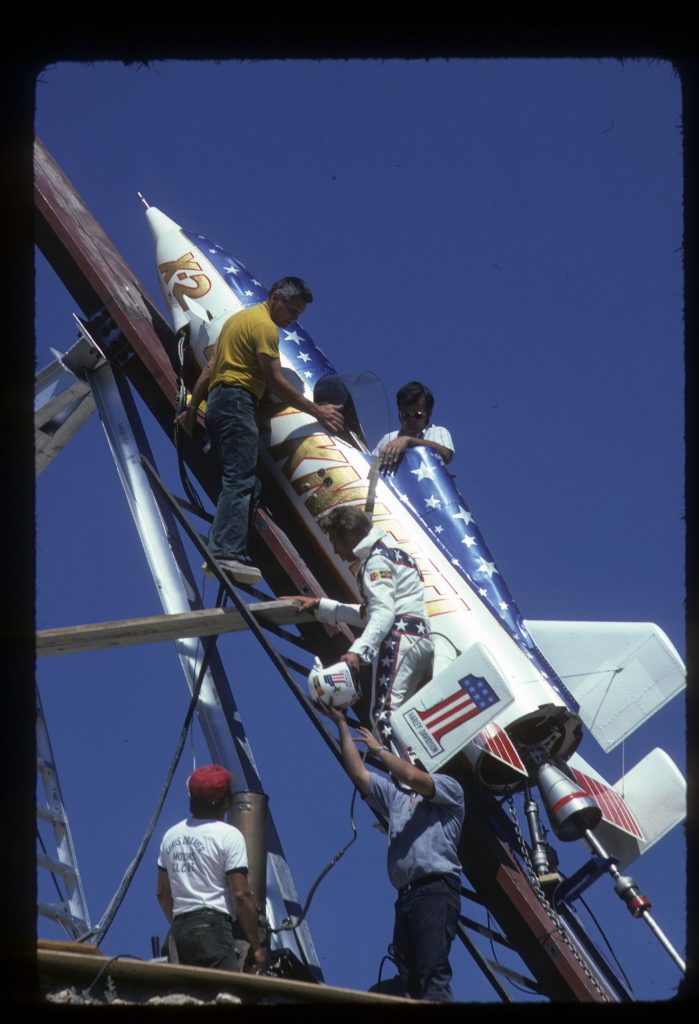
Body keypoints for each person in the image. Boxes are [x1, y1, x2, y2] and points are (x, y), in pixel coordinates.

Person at [178, 278, 344, 585]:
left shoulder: (238, 321)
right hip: (238, 402)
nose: (293, 319)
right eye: (292, 310)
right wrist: (317, 410)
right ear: (276, 296)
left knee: (247, 484)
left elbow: (210, 367)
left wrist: (193, 407)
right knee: (240, 481)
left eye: (299, 313)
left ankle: (226, 550)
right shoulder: (265, 328)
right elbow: (275, 380)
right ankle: (223, 555)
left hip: (218, 402)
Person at [329, 706, 464, 1002]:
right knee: (408, 981)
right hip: (408, 896)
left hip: (435, 890)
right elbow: (357, 772)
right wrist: (340, 723)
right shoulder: (397, 799)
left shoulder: (450, 791)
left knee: (432, 970)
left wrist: (379, 750)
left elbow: (415, 777)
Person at [288, 506, 433, 753]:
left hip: (398, 640)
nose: (334, 549)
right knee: (404, 716)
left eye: (334, 540)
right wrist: (320, 606)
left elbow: (383, 613)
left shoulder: (376, 561)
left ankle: (408, 784)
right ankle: (418, 770)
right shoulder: (395, 553)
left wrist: (358, 651)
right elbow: (371, 613)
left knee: (383, 716)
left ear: (350, 536)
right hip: (420, 638)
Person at [157, 764, 266, 975]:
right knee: (228, 996)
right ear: (226, 802)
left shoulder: (170, 836)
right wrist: (256, 945)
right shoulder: (228, 835)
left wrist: (185, 926)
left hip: (176, 936)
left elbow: (162, 893)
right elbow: (242, 895)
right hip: (212, 936)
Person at [373, 381, 454, 471]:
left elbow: (446, 455)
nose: (411, 420)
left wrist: (409, 441)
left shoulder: (437, 431)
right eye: (405, 415)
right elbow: (371, 466)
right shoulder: (388, 438)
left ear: (428, 413)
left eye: (418, 415)